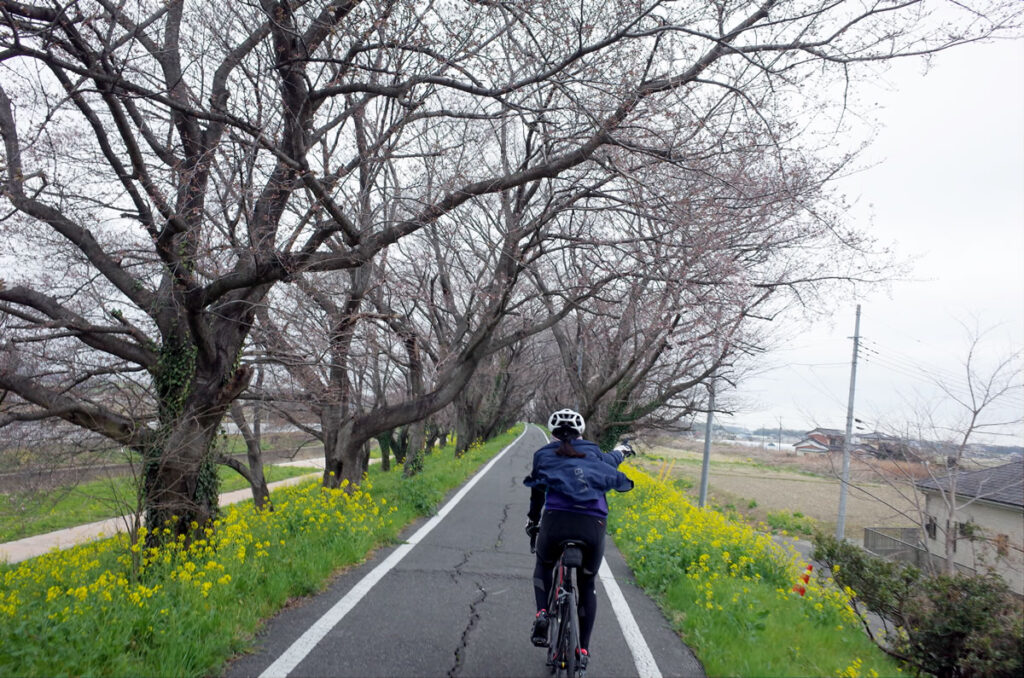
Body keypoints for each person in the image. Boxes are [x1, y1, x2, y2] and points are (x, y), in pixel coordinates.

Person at [523, 408, 635, 667]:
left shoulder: (543, 455)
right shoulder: (594, 452)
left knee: (544, 565)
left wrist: (533, 521)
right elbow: (613, 459)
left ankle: (542, 613)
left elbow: (537, 493)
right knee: (587, 586)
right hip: (592, 523)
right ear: (581, 432)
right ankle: (582, 652)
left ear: (552, 434)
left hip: (556, 521)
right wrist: (622, 450)